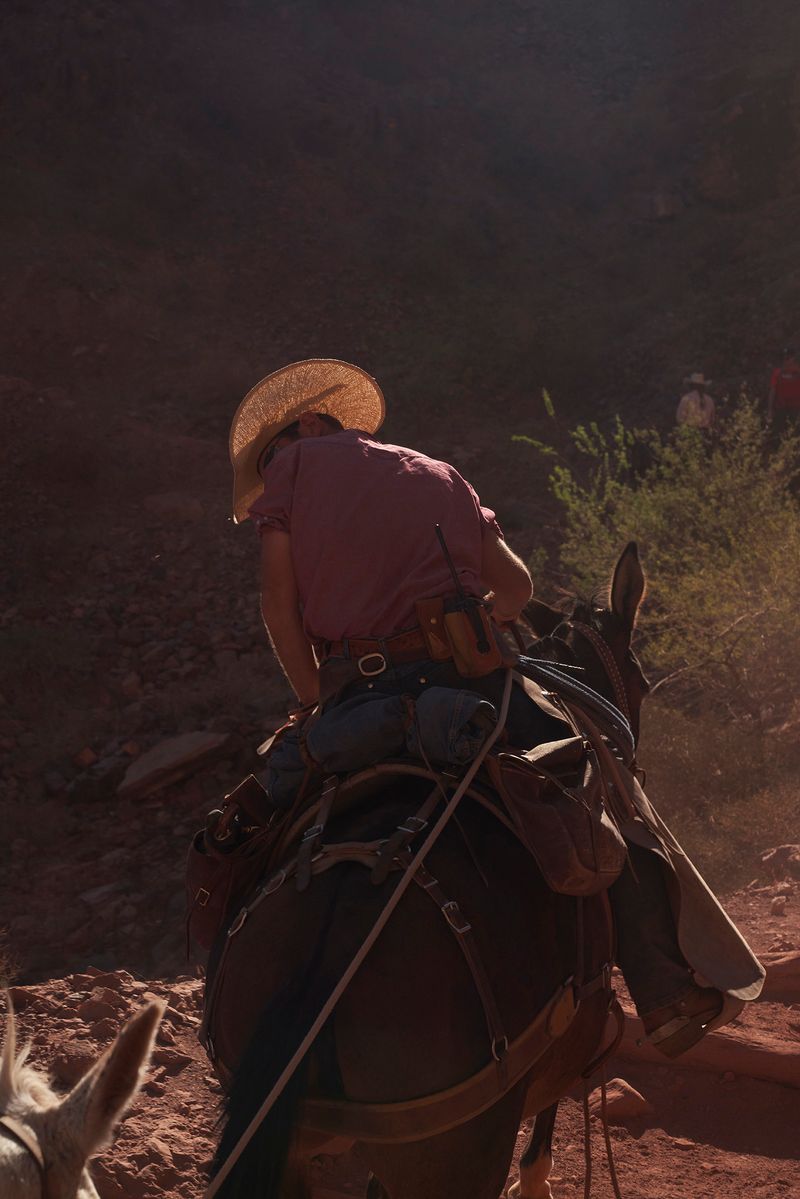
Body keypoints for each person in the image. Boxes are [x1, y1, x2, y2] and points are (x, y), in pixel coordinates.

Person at [229, 358, 759, 1056]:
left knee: (243, 835)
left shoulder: (294, 473)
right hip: (472, 692)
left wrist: (308, 701)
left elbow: (277, 604)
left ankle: (229, 1026)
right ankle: (663, 991)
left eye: (271, 458)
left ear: (304, 426)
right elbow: (515, 590)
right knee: (592, 783)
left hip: (357, 699)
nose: (274, 474)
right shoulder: (439, 473)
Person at [767, 347, 800, 434]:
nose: (786, 360)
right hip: (781, 407)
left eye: (788, 358)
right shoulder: (777, 372)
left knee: (795, 432)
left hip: (796, 408)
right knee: (779, 432)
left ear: (793, 358)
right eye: (784, 358)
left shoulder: (798, 371)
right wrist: (770, 409)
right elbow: (772, 391)